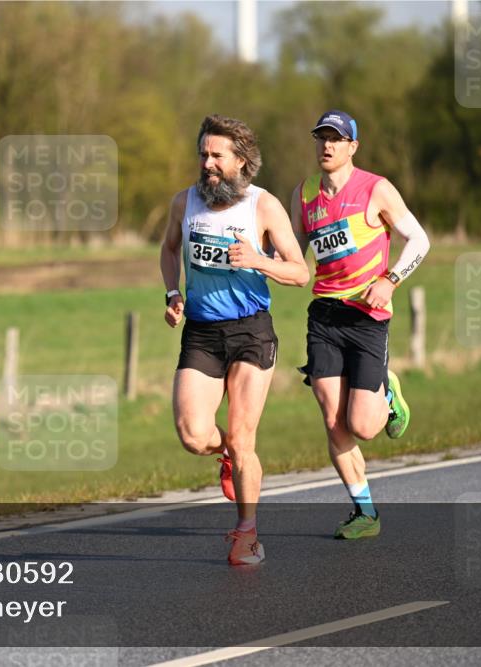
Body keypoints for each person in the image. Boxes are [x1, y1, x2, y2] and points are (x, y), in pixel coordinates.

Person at [160, 114, 309, 565]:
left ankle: (248, 533)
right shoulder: (184, 203)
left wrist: (257, 261)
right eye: (203, 153)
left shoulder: (263, 207)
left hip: (250, 331)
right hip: (202, 333)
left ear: (241, 161)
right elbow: (169, 250)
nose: (206, 162)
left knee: (245, 439)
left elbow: (300, 272)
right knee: (192, 433)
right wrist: (172, 292)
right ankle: (227, 455)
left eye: (216, 155)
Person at [291, 110, 430, 539]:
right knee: (333, 418)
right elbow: (294, 256)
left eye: (336, 139)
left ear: (353, 146)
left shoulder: (376, 189)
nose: (327, 146)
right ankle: (365, 512)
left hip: (368, 317)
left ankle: (387, 391)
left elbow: (420, 240)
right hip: (325, 317)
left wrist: (390, 280)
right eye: (321, 138)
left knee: (365, 427)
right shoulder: (304, 194)